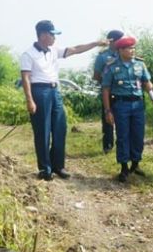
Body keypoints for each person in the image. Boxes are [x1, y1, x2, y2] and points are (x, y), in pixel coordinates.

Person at [21, 20, 108, 181]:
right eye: (53, 34)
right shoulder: (28, 54)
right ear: (43, 35)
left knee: (60, 128)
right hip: (40, 91)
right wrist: (30, 100)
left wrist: (96, 43)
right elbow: (25, 78)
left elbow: (76, 49)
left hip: (55, 91)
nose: (55, 38)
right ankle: (45, 169)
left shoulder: (54, 50)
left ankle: (58, 166)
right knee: (43, 132)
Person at [101, 36, 153, 182]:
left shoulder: (140, 64)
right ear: (120, 50)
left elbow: (146, 82)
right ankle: (124, 167)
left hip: (138, 104)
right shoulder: (111, 66)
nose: (132, 51)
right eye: (128, 48)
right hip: (121, 105)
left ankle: (136, 163)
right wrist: (108, 110)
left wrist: (152, 95)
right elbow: (106, 89)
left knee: (138, 135)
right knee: (123, 136)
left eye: (133, 48)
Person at [93, 30, 125, 154]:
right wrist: (108, 82)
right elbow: (96, 76)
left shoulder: (125, 53)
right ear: (112, 41)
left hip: (123, 92)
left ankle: (123, 145)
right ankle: (108, 145)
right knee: (108, 119)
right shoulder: (103, 57)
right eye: (120, 40)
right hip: (109, 92)